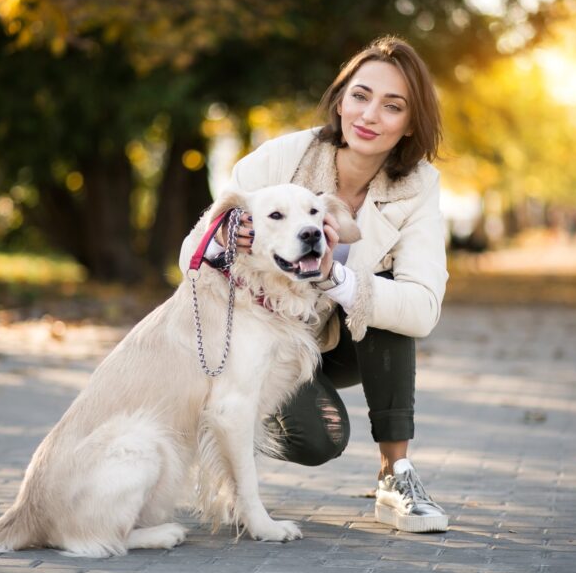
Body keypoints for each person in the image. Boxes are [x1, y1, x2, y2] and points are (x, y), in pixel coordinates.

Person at [180, 36, 449, 533]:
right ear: (341, 100)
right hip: (253, 336)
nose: (370, 115)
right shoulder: (281, 158)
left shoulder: (418, 186)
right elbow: (190, 256)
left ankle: (396, 475)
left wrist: (335, 276)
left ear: (411, 123)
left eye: (392, 106)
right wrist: (230, 240)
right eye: (360, 96)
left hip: (331, 342)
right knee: (319, 438)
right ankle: (226, 408)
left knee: (386, 294)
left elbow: (422, 308)